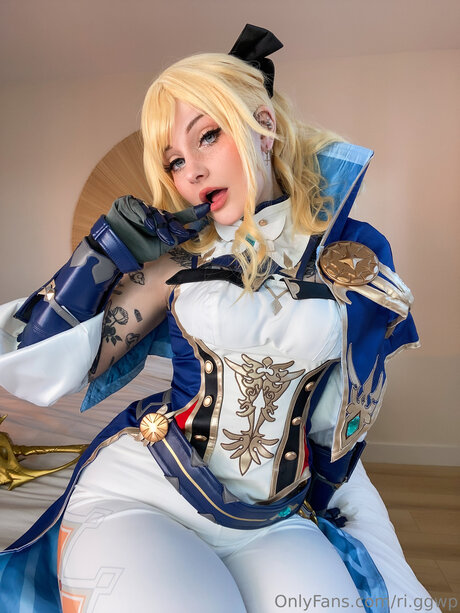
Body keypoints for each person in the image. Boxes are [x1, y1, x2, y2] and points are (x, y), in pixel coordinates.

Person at [0, 24, 437, 613]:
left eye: (207, 136)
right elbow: (34, 363)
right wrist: (102, 253)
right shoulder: (181, 259)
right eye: (175, 162)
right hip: (147, 487)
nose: (192, 172)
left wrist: (334, 498)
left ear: (264, 126)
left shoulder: (351, 252)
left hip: (272, 516)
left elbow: (346, 407)